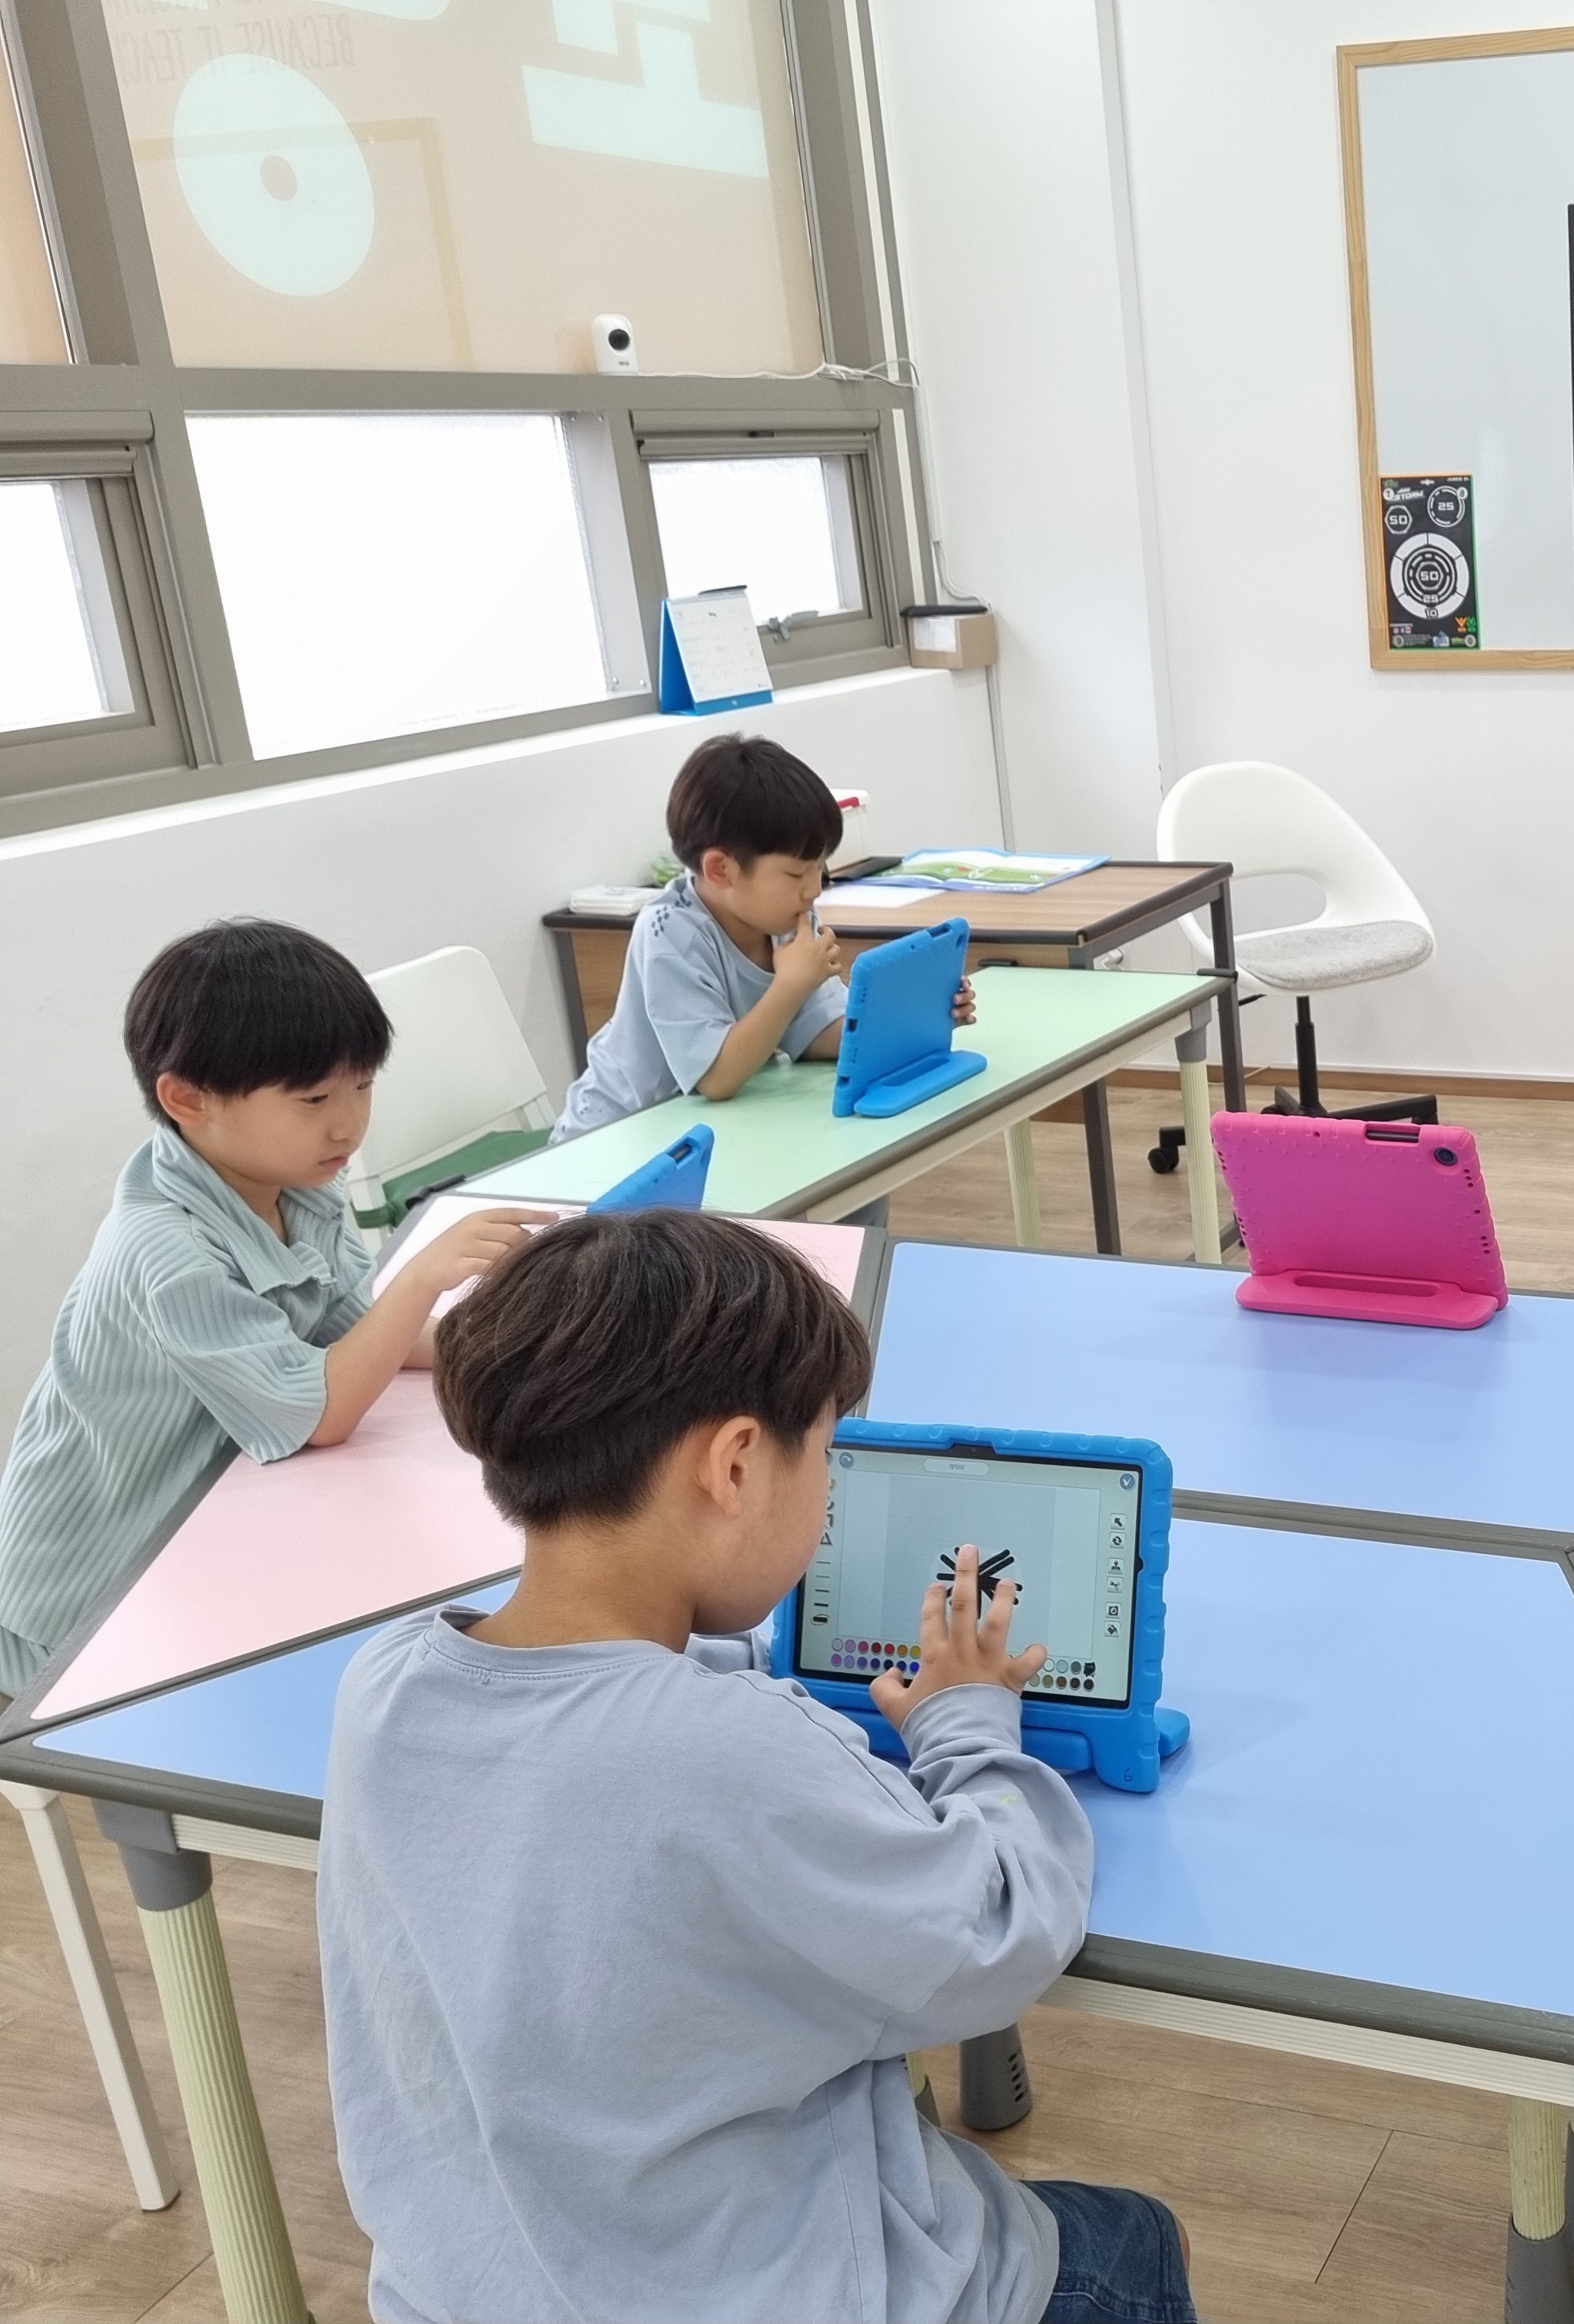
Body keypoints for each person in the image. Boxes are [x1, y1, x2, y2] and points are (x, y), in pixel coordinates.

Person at [319, 1209, 1192, 2323]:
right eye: (822, 1455)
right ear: (735, 1464)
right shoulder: (732, 1754)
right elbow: (1000, 1938)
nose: (825, 1494)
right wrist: (969, 1722)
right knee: (1136, 2240)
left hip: (471, 2294)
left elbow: (599, 1718)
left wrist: (719, 1667)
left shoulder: (385, 1682)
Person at [0, 921, 535, 1698]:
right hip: (85, 1593)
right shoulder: (169, 1249)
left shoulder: (292, 1185)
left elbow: (355, 1334)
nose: (349, 1123)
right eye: (314, 1098)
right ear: (187, 1099)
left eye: (363, 1086)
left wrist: (499, 1343)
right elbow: (319, 1411)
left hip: (208, 1522)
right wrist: (422, 1278)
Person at [556, 733, 971, 1136]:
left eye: (820, 869)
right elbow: (717, 1078)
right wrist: (791, 984)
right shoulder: (670, 934)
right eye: (795, 873)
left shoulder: (785, 916)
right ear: (720, 870)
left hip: (705, 1126)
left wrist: (916, 1018)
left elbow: (814, 1031)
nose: (814, 889)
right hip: (615, 1135)